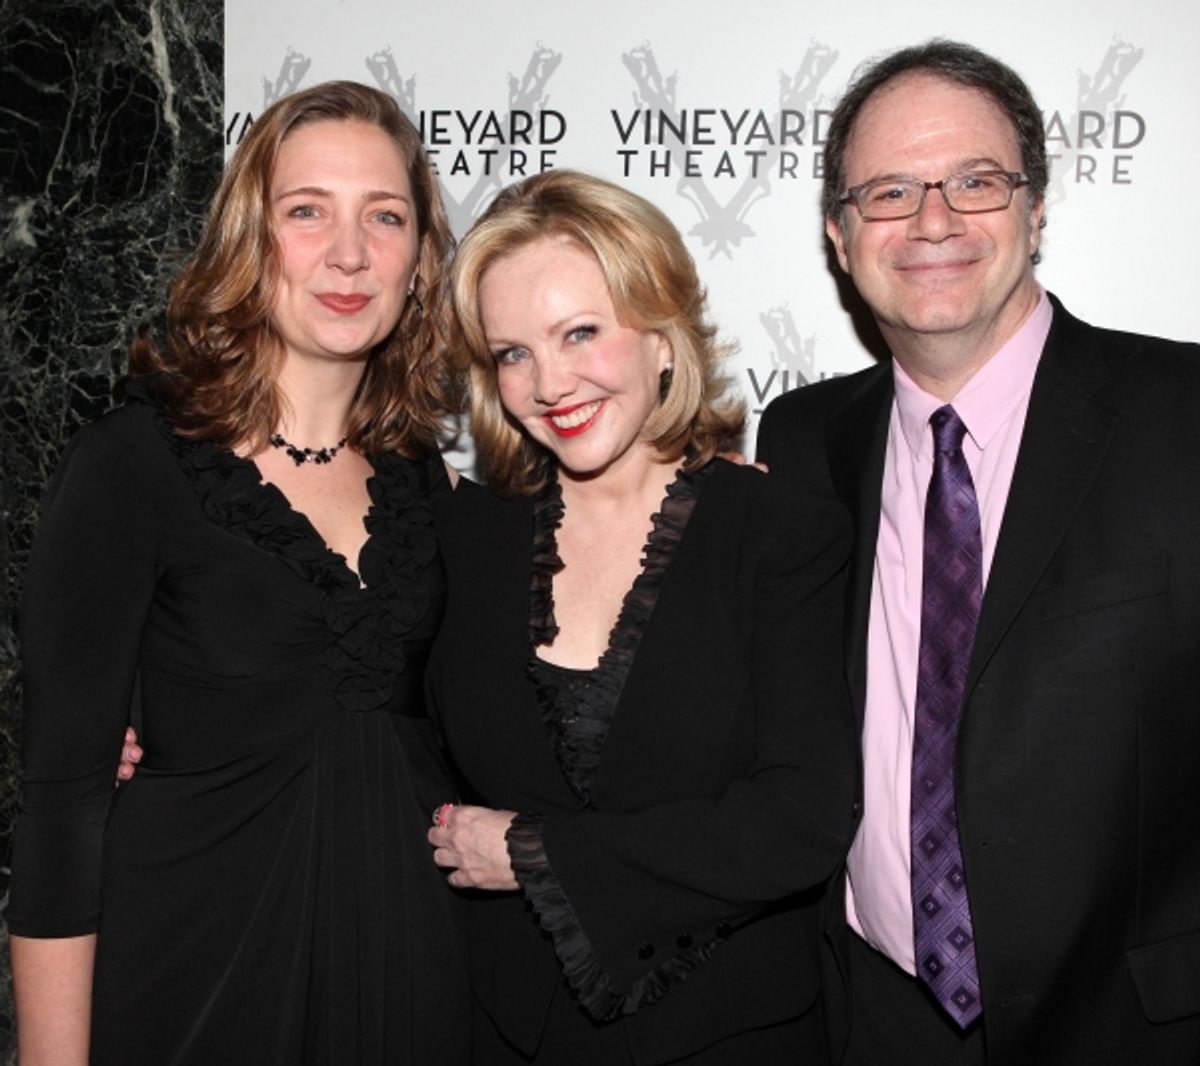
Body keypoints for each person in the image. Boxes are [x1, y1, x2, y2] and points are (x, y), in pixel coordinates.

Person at [757, 39, 1200, 1065]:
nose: (934, 220)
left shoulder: (1182, 417)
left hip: (1137, 1027)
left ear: (1035, 209)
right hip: (869, 1020)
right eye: (889, 191)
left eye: (975, 181)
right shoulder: (800, 440)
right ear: (839, 234)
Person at [8, 81, 470, 1065]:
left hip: (405, 981)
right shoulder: (132, 466)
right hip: (191, 983)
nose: (349, 254)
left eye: (383, 217)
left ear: (419, 259)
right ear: (248, 237)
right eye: (307, 212)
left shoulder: (427, 483)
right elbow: (61, 811)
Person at [424, 169, 857, 1065]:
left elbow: (802, 820)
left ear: (662, 335)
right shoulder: (464, 537)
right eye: (512, 353)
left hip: (732, 1035)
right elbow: (352, 690)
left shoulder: (778, 531)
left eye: (580, 332)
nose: (549, 383)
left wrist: (540, 857)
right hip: (505, 1030)